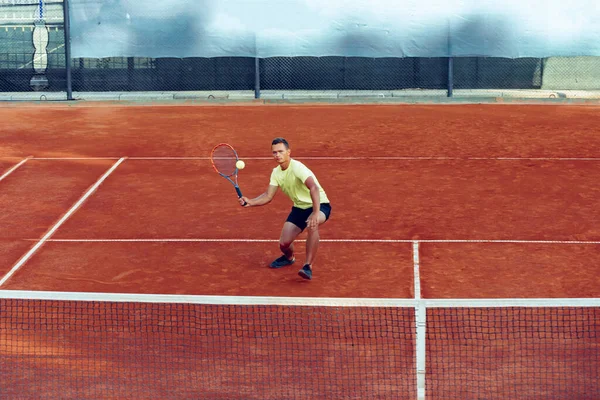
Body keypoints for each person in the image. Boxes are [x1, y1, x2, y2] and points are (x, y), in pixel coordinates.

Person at [239, 138, 331, 280]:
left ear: (288, 152)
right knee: (284, 243)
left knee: (312, 224)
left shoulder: (297, 167)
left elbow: (314, 187)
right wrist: (250, 202)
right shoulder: (276, 172)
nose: (277, 155)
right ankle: (289, 258)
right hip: (299, 208)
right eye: (274, 152)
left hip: (319, 204)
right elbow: (268, 195)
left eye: (280, 151)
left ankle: (308, 266)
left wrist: (315, 212)